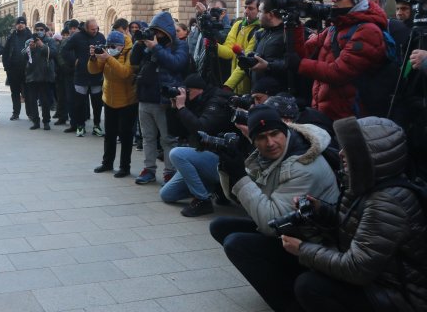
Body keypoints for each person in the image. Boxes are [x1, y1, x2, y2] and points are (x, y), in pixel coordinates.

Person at [281, 117, 427, 312]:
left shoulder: (387, 201)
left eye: (350, 149)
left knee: (310, 286)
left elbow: (357, 269)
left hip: (400, 296)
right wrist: (320, 211)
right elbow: (353, 230)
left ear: (372, 156)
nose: (341, 153)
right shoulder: (366, 185)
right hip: (379, 280)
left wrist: (303, 250)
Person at [210, 105, 339, 312]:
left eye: (274, 133)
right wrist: (228, 169)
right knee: (220, 226)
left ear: (285, 130)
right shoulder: (273, 154)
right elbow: (238, 199)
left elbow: (271, 224)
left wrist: (240, 177)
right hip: (293, 231)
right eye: (261, 137)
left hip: (316, 244)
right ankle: (282, 282)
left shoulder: (303, 164)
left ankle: (289, 304)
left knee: (237, 244)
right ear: (252, 140)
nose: (270, 143)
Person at [290, 0, 389, 120]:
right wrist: (294, 26)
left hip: (350, 115)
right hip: (325, 110)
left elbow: (339, 72)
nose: (333, 0)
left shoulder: (368, 30)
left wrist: (300, 65)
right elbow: (303, 53)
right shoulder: (334, 28)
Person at [130, 11, 189, 185]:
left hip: (164, 99)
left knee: (167, 139)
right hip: (145, 97)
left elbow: (176, 63)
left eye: (158, 31)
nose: (155, 34)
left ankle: (170, 172)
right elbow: (133, 60)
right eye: (153, 30)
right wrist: (139, 44)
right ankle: (149, 169)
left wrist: (156, 47)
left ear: (167, 31)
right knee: (148, 137)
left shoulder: (179, 45)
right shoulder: (147, 44)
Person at [161, 74, 232, 215]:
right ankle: (213, 188)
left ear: (199, 90)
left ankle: (203, 200)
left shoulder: (216, 102)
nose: (185, 94)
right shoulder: (194, 102)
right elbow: (175, 132)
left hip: (222, 161)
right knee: (167, 195)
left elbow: (202, 128)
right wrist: (175, 108)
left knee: (177, 154)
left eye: (188, 91)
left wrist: (182, 107)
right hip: (202, 155)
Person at [89, 31, 137, 177]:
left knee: (125, 135)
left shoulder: (130, 52)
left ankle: (125, 167)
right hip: (109, 98)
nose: (111, 48)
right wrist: (93, 57)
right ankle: (107, 163)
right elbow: (93, 70)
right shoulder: (106, 53)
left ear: (122, 45)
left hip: (127, 100)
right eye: (109, 45)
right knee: (109, 134)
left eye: (114, 45)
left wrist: (108, 57)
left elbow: (125, 73)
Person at [61, 18, 106, 137]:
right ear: (86, 28)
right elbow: (65, 50)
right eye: (92, 29)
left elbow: (106, 52)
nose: (95, 31)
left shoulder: (101, 36)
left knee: (97, 104)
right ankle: (80, 126)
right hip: (81, 76)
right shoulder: (77, 37)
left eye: (96, 28)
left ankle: (97, 125)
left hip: (96, 76)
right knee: (79, 103)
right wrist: (74, 61)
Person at [217, 0, 262, 94]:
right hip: (235, 85)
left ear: (260, 11)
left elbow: (246, 59)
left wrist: (228, 85)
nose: (246, 11)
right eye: (245, 7)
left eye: (251, 8)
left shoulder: (259, 30)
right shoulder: (238, 25)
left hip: (250, 86)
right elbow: (229, 51)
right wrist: (214, 46)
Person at [24, 23, 58, 130]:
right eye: (37, 29)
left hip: (45, 75)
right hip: (32, 74)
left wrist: (42, 45)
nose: (39, 31)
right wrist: (30, 48)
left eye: (41, 29)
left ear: (45, 30)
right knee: (32, 100)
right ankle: (35, 121)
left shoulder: (50, 40)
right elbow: (22, 55)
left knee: (45, 101)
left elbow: (53, 53)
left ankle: (46, 121)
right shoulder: (29, 41)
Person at [2, 16, 32, 121]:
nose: (20, 25)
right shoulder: (11, 37)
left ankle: (30, 113)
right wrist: (6, 67)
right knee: (14, 92)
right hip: (13, 70)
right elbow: (5, 52)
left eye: (22, 23)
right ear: (16, 25)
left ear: (25, 24)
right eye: (19, 23)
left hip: (27, 70)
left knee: (28, 93)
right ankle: (16, 113)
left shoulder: (30, 36)